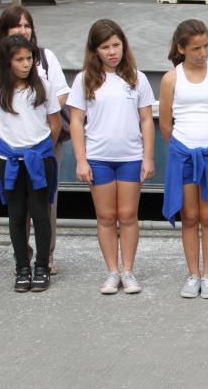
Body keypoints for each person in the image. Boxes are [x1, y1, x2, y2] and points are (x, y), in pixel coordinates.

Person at [67, 19, 156, 295]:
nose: (112, 52)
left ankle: (128, 271)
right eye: (105, 47)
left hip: (130, 157)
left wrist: (148, 157)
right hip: (98, 158)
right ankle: (112, 272)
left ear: (123, 46)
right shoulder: (84, 79)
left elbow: (146, 120)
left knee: (128, 215)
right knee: (106, 217)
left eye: (116, 45)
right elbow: (76, 121)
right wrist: (81, 160)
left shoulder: (136, 78)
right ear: (95, 51)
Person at [0, 5, 71, 275]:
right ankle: (23, 258)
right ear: (5, 32)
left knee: (45, 206)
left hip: (44, 144)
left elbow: (60, 97)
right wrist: (8, 145)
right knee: (18, 209)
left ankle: (46, 258)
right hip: (11, 150)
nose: (23, 30)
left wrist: (42, 134)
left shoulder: (44, 58)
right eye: (17, 26)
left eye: (27, 24)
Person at [159, 19, 208, 299]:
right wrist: (182, 147)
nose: (202, 53)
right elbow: (165, 123)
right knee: (189, 217)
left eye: (205, 46)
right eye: (195, 48)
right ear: (181, 48)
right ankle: (193, 275)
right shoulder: (171, 78)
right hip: (183, 154)